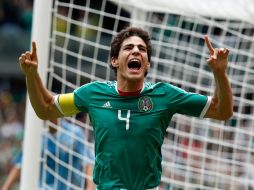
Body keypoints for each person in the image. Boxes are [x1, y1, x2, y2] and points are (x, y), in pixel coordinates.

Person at [18, 26, 233, 189]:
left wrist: (220, 74)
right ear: (114, 60)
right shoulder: (93, 94)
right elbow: (46, 108)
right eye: (128, 48)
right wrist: (31, 75)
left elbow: (222, 111)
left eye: (142, 49)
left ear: (147, 63)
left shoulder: (165, 95)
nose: (136, 52)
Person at [1, 115, 95, 190]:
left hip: (68, 186)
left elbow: (88, 162)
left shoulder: (74, 133)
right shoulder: (35, 134)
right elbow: (20, 164)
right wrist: (5, 187)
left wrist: (90, 186)